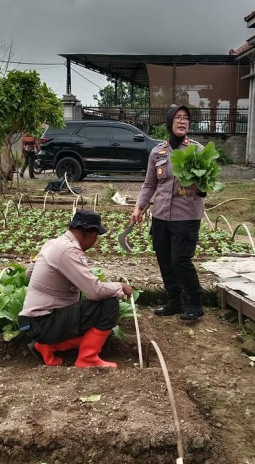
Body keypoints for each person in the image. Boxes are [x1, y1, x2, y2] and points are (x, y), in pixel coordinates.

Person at [18, 209, 133, 368]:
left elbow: (29, 272)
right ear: (91, 234)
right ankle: (87, 358)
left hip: (33, 322)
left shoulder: (52, 243)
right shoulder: (69, 250)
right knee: (109, 304)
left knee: (89, 315)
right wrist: (120, 286)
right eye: (96, 237)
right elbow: (95, 291)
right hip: (45, 322)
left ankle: (46, 346)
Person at [131, 104, 206, 324]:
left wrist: (196, 185)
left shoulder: (197, 150)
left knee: (180, 260)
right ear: (169, 122)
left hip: (187, 216)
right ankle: (175, 301)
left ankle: (195, 303)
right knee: (164, 260)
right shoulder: (157, 152)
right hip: (161, 215)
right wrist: (139, 207)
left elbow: (206, 186)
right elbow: (149, 184)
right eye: (178, 118)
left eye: (186, 118)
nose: (183, 121)